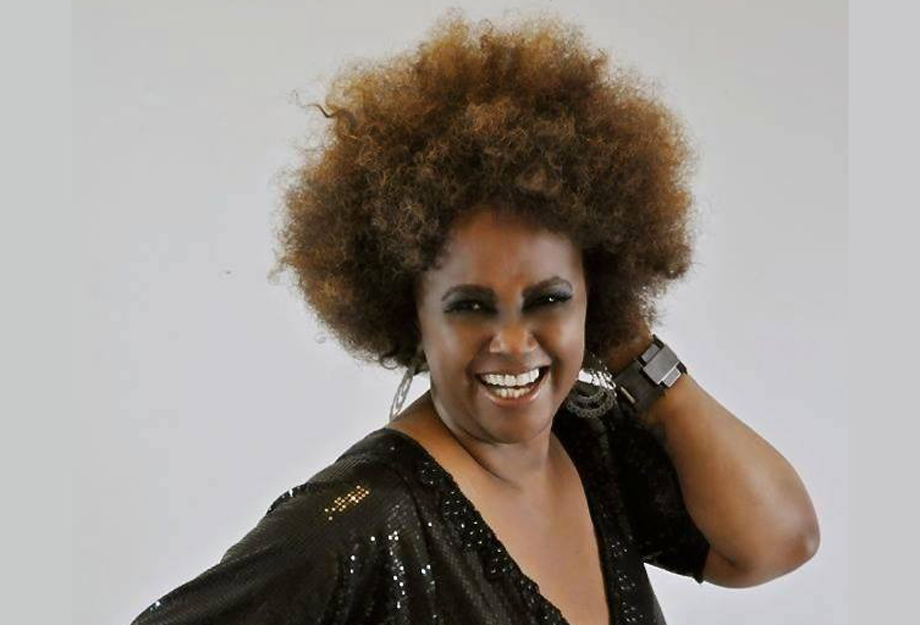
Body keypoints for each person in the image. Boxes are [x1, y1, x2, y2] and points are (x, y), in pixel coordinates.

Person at [127, 9, 820, 625]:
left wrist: (632, 350)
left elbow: (778, 540)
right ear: (410, 313)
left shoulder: (589, 443)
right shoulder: (362, 518)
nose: (513, 342)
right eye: (470, 306)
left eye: (549, 299)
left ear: (600, 294)